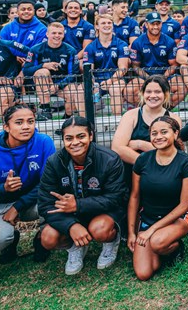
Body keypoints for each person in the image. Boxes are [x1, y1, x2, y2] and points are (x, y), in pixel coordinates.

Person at [36, 116, 125, 274]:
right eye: (69, 138)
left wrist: (78, 205)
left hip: (102, 213)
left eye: (81, 136)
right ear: (63, 140)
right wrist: (71, 226)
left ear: (91, 136)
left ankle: (111, 241)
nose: (75, 142)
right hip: (71, 215)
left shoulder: (109, 159)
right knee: (48, 238)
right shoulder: (54, 162)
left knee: (100, 229)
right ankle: (74, 247)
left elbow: (116, 197)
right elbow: (45, 203)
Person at [127, 115, 188, 281]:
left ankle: (176, 247)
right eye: (154, 133)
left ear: (175, 133)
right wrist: (131, 232)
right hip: (149, 217)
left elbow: (184, 205)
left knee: (157, 242)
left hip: (179, 217)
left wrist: (151, 231)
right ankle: (161, 248)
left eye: (164, 132)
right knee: (144, 273)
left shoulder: (186, 163)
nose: (158, 137)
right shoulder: (142, 160)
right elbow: (135, 197)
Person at [0, 104, 55, 264]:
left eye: (30, 121)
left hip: (32, 201)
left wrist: (17, 207)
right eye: (19, 122)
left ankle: (41, 240)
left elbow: (48, 182)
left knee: (55, 200)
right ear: (6, 127)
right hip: (0, 204)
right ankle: (11, 240)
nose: (26, 127)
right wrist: (4, 189)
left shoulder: (44, 142)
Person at [23, 21, 82, 121]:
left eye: (60, 33)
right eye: (54, 33)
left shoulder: (70, 50)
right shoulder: (36, 49)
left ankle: (67, 118)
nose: (57, 36)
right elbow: (26, 70)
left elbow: (73, 74)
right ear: (47, 34)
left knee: (73, 91)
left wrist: (58, 85)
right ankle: (46, 110)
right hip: (43, 85)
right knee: (42, 72)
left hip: (63, 84)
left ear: (63, 35)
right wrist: (44, 65)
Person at [127, 11, 183, 107]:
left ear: (161, 24)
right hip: (145, 75)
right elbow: (135, 66)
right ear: (146, 25)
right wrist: (148, 78)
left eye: (158, 23)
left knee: (182, 87)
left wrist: (162, 78)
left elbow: (174, 64)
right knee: (129, 90)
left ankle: (165, 109)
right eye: (152, 24)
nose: (156, 27)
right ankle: (146, 109)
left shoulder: (169, 41)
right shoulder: (138, 42)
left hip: (165, 75)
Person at [83, 14, 131, 116]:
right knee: (80, 90)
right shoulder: (90, 47)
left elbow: (123, 68)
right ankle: (86, 121)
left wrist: (110, 81)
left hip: (116, 79)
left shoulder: (121, 44)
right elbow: (88, 70)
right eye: (103, 23)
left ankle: (117, 120)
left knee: (115, 89)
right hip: (97, 80)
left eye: (109, 23)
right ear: (97, 26)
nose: (107, 25)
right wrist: (93, 83)